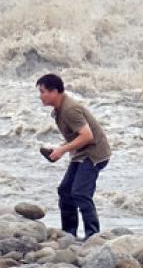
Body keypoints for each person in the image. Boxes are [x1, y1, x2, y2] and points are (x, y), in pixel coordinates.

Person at [36, 73, 111, 239]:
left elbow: (87, 136)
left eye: (42, 92)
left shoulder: (70, 109)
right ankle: (69, 233)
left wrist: (62, 150)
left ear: (55, 91)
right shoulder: (59, 109)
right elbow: (76, 136)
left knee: (80, 193)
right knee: (65, 191)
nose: (40, 96)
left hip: (94, 153)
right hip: (82, 152)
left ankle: (93, 236)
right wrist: (60, 149)